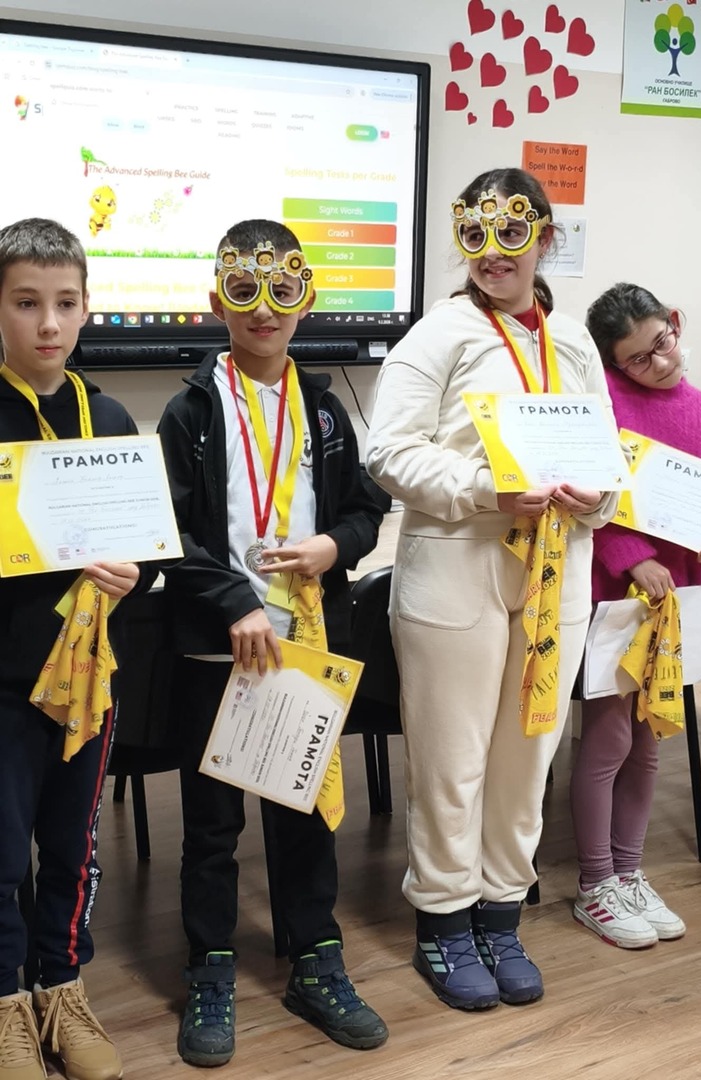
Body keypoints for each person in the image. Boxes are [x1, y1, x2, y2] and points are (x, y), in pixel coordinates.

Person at [365, 167, 619, 1011]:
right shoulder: (437, 334)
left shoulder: (574, 341)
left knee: (528, 752)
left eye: (511, 233)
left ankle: (501, 913)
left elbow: (605, 455)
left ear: (544, 236)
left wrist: (597, 498)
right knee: (452, 757)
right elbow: (388, 451)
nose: (492, 253)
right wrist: (484, 487)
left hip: (556, 570)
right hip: (457, 564)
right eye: (474, 235)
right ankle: (443, 920)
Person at [157, 218, 388, 1067]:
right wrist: (231, 602)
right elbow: (169, 530)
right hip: (218, 652)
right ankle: (211, 967)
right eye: (245, 291)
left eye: (282, 290)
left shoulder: (324, 409)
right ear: (217, 301)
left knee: (305, 815)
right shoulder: (190, 411)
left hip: (305, 644)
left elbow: (365, 509)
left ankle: (315, 959)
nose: (264, 308)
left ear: (306, 299)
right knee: (213, 825)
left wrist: (333, 546)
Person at [0, 218, 147, 1080]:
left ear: (88, 307)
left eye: (64, 303)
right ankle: (5, 1004)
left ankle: (60, 988)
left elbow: (149, 551)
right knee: (0, 848)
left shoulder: (112, 416)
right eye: (26, 304)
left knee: (72, 846)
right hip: (4, 679)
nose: (48, 324)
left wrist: (137, 574)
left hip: (89, 681)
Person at [569, 283, 701, 947]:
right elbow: (588, 502)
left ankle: (630, 872)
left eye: (661, 343)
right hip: (614, 593)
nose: (660, 362)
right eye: (638, 359)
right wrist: (632, 557)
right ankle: (595, 883)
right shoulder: (603, 405)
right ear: (614, 364)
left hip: (680, 598)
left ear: (674, 323)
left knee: (648, 743)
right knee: (608, 738)